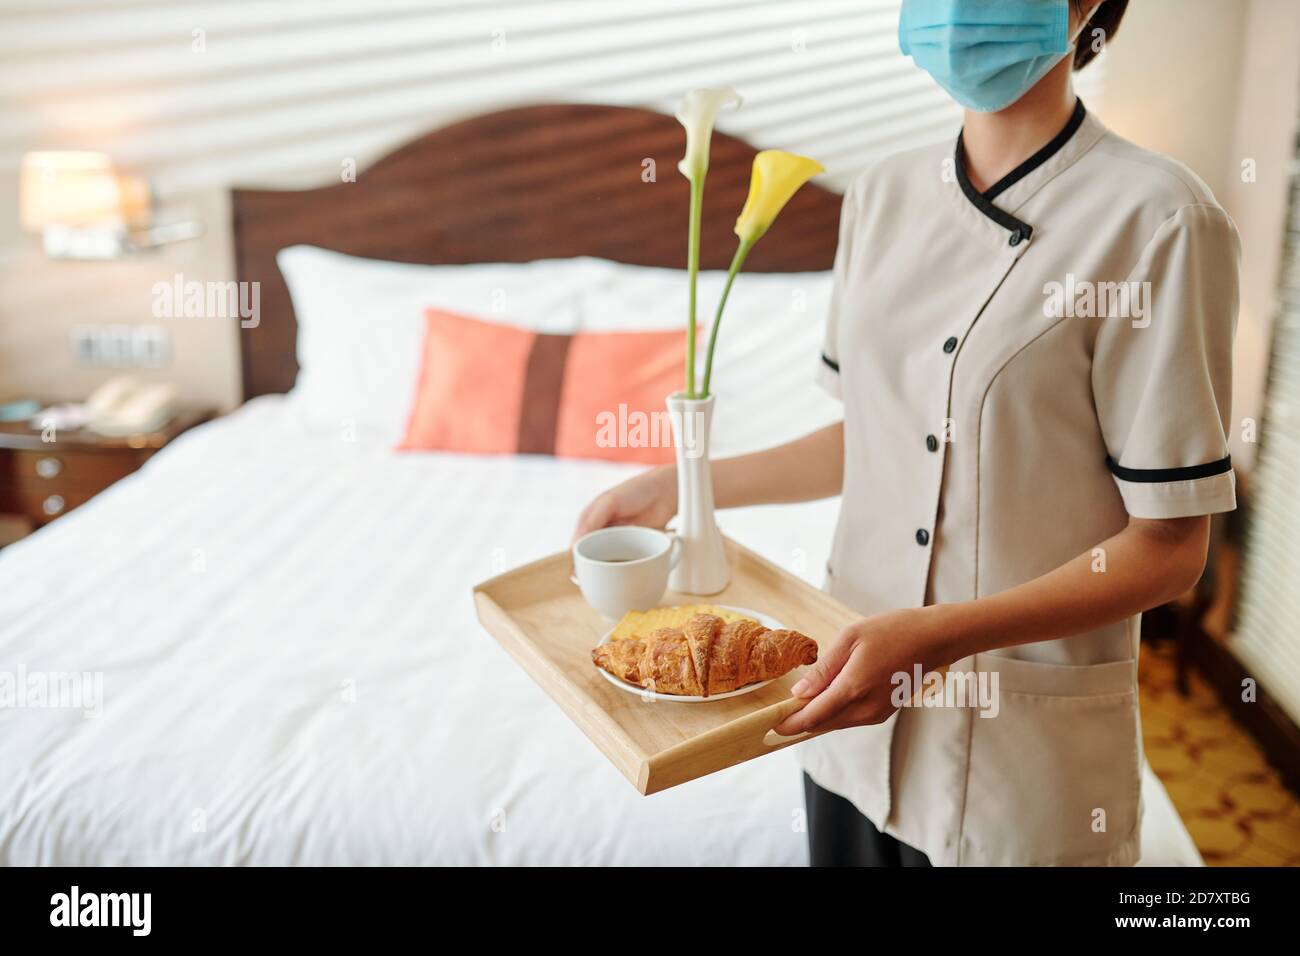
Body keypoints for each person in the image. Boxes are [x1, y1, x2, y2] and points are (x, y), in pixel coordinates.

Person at [574, 0, 1239, 866]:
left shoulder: (1160, 220)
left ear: (1085, 7)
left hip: (1017, 763)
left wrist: (937, 638)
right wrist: (681, 484)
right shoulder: (880, 195)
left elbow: (1170, 546)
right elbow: (875, 438)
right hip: (841, 712)